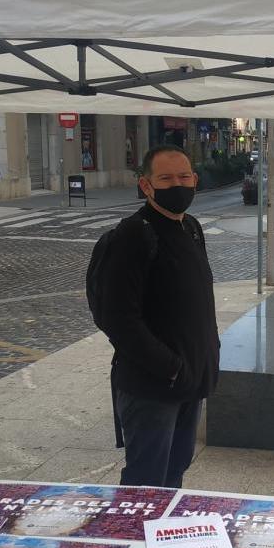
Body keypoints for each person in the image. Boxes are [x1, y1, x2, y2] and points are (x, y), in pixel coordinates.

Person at [97, 144, 218, 488]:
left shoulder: (191, 227)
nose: (176, 185)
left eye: (183, 177)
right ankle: (133, 539)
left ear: (195, 180)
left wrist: (206, 357)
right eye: (165, 178)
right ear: (146, 186)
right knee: (145, 479)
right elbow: (118, 319)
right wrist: (171, 366)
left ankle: (162, 537)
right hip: (151, 386)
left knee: (176, 468)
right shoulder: (134, 235)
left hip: (189, 382)